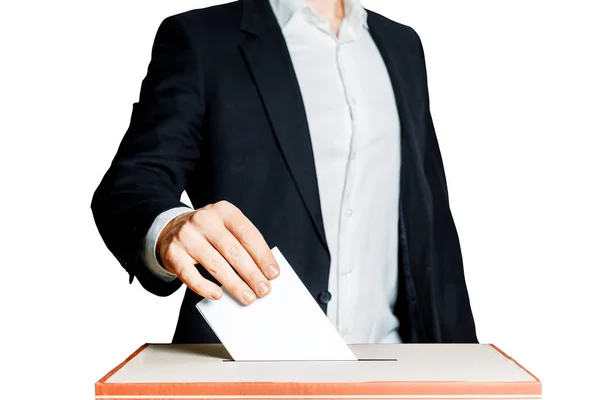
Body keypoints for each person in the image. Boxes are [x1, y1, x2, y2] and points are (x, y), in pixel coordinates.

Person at [91, 0, 478, 344]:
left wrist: (466, 364)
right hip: (249, 365)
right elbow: (131, 184)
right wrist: (170, 228)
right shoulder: (200, 39)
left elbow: (431, 222)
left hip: (398, 368)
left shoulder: (402, 44)